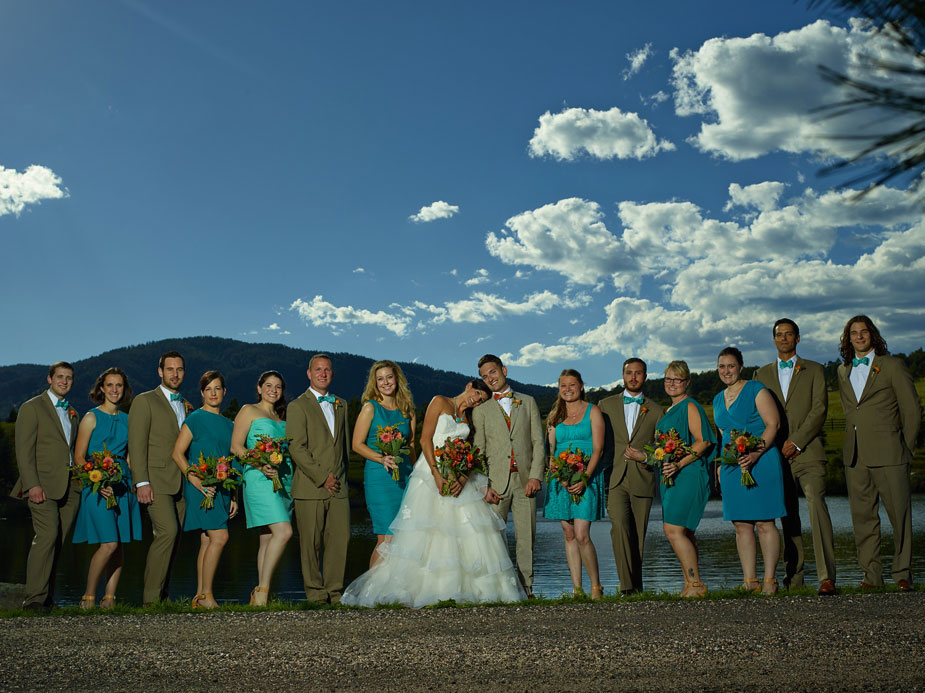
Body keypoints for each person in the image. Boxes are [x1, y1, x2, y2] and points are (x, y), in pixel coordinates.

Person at [342, 380, 526, 607]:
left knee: (468, 532)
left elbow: (470, 454)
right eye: (477, 393)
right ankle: (422, 589)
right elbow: (424, 439)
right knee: (428, 531)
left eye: (481, 400)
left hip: (459, 476)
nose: (476, 400)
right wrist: (436, 474)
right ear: (468, 385)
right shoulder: (440, 401)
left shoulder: (469, 417)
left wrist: (461, 477)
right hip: (431, 472)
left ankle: (471, 590)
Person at [837, 315, 920, 591]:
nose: (859, 337)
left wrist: (904, 448)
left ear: (873, 335)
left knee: (900, 517)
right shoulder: (842, 371)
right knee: (863, 520)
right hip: (855, 456)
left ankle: (903, 574)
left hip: (891, 454)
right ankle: (871, 576)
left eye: (864, 332)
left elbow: (912, 411)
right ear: (848, 339)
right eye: (854, 333)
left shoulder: (893, 366)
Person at [753, 318, 836, 595]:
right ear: (774, 339)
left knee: (816, 506)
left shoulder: (814, 369)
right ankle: (794, 578)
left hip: (809, 451)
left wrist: (797, 441)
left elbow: (819, 409)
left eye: (789, 334)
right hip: (775, 456)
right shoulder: (760, 375)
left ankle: (827, 577)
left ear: (797, 338)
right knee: (787, 516)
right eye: (779, 334)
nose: (784, 338)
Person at [713, 346, 785, 595]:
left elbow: (773, 424)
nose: (726, 371)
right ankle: (749, 580)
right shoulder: (717, 399)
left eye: (731, 366)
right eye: (722, 366)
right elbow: (723, 434)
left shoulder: (756, 389)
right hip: (733, 466)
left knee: (765, 522)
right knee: (741, 524)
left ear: (740, 367)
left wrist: (755, 453)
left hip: (761, 460)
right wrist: (721, 467)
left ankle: (769, 581)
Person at [473, 354, 545, 598]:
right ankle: (500, 591)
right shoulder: (481, 411)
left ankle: (527, 589)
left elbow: (538, 442)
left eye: (492, 372)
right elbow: (478, 452)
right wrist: (484, 486)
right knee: (494, 539)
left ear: (504, 369)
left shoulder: (528, 402)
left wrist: (536, 476)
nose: (490, 378)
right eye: (484, 376)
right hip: (496, 483)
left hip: (526, 481)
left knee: (527, 538)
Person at [12, 362, 82, 612]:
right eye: (60, 377)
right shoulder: (32, 408)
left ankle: (47, 597)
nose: (64, 381)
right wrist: (32, 484)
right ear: (49, 379)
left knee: (58, 541)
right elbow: (24, 450)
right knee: (47, 536)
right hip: (41, 485)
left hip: (70, 488)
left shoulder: (73, 412)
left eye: (69, 378)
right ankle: (33, 600)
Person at [72, 367, 142, 609]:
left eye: (119, 386)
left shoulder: (129, 420)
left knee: (119, 544)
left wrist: (136, 482)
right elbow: (79, 457)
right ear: (101, 388)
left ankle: (109, 598)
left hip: (123, 486)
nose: (114, 390)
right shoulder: (91, 417)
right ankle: (88, 597)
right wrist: (97, 480)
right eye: (110, 385)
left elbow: (130, 457)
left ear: (124, 389)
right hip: (97, 486)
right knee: (108, 543)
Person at [598, 358, 665, 595]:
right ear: (623, 375)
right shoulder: (604, 405)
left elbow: (664, 452)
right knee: (619, 528)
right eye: (629, 373)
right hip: (614, 478)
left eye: (638, 373)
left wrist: (645, 458)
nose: (633, 377)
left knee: (638, 534)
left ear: (645, 377)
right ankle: (627, 587)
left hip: (642, 478)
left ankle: (637, 586)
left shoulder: (657, 410)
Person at [287, 355, 350, 604]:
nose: (322, 374)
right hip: (311, 486)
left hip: (340, 487)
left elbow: (342, 447)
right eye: (317, 370)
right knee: (310, 545)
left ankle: (334, 593)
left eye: (327, 370)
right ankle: (315, 595)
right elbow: (296, 448)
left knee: (340, 540)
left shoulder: (342, 404)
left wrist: (341, 477)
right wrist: (323, 477)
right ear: (309, 373)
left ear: (332, 374)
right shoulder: (297, 406)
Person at [128, 350, 190, 604]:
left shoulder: (187, 404)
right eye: (170, 369)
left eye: (179, 369)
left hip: (182, 483)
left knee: (175, 539)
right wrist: (141, 481)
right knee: (168, 532)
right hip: (155, 481)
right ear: (160, 372)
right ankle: (150, 600)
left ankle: (163, 597)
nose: (175, 374)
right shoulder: (145, 401)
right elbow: (136, 444)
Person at [172, 370, 238, 609]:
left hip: (221, 488)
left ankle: (200, 596)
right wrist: (195, 480)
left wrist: (233, 496)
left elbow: (230, 462)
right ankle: (207, 596)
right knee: (220, 537)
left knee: (207, 540)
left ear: (224, 392)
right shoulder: (195, 419)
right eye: (208, 389)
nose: (213, 393)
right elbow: (178, 453)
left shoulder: (229, 424)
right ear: (201, 393)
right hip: (200, 486)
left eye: (217, 388)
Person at [231, 370, 293, 606]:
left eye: (278, 386)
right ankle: (263, 591)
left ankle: (259, 595)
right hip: (258, 477)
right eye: (268, 385)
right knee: (284, 532)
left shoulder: (283, 416)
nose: (273, 390)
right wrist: (259, 463)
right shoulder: (248, 410)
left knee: (267, 537)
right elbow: (236, 446)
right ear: (259, 388)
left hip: (284, 479)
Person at [543, 369, 606, 599]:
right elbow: (551, 454)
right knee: (568, 534)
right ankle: (577, 589)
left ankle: (596, 587)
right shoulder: (554, 417)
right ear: (559, 389)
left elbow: (598, 449)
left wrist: (584, 478)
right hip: (561, 480)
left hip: (586, 478)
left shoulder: (593, 411)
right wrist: (560, 477)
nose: (568, 389)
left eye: (572, 385)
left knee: (582, 534)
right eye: (563, 386)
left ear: (580, 386)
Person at [656, 361, 716, 598]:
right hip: (671, 474)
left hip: (688, 473)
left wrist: (679, 463)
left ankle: (696, 584)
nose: (672, 384)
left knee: (673, 530)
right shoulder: (669, 410)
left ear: (687, 382)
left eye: (677, 379)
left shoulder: (690, 406)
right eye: (668, 379)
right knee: (684, 532)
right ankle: (690, 584)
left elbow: (703, 441)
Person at [351, 360, 416, 568]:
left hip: (404, 477)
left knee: (403, 535)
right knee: (386, 538)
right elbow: (356, 444)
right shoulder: (370, 407)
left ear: (397, 379)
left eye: (389, 377)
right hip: (379, 477)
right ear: (375, 383)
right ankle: (371, 594)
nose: (385, 382)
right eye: (380, 379)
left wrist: (416, 475)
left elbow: (412, 444)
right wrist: (381, 458)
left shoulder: (408, 410)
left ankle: (393, 591)